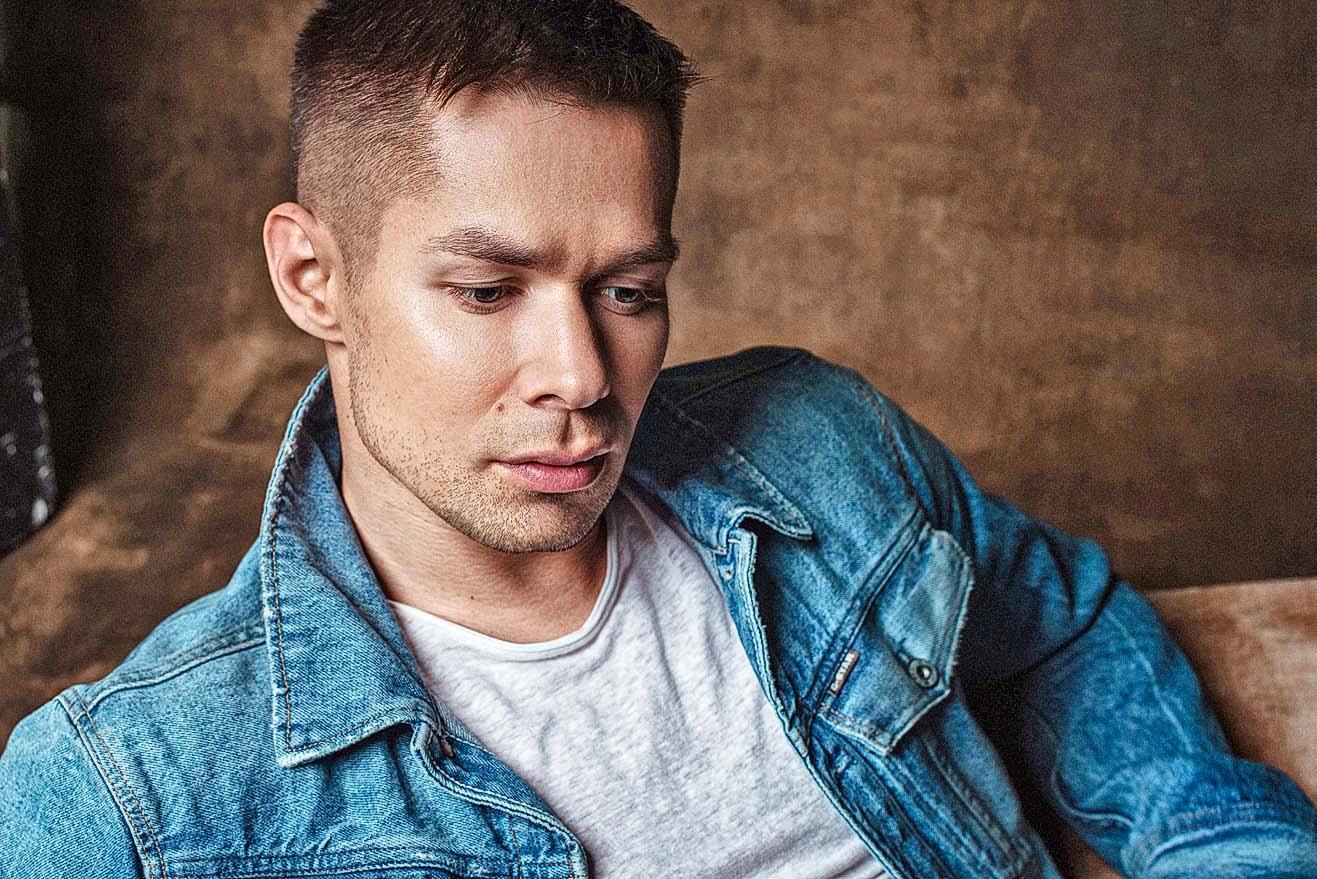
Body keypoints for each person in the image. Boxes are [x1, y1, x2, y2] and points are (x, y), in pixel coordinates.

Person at [2, 1, 1315, 877]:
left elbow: (1063, 624)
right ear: (314, 278)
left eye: (629, 291)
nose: (583, 376)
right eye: (487, 292)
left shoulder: (819, 443)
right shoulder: (127, 795)